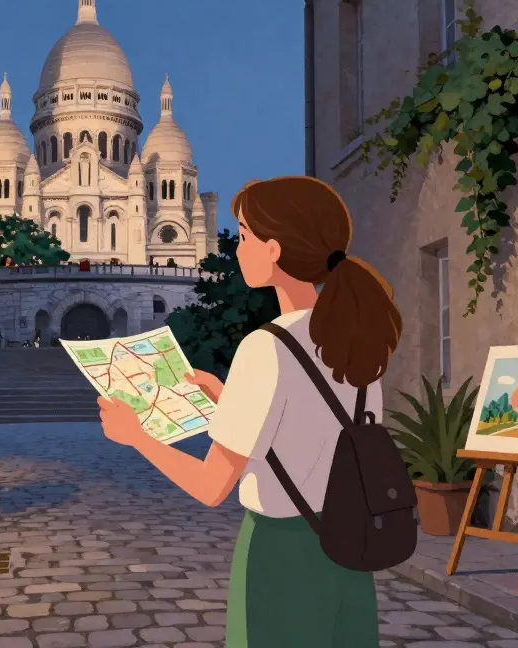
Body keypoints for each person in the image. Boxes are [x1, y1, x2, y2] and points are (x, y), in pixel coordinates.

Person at [96, 175, 402, 647]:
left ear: (274, 249)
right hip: (351, 550)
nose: (236, 249)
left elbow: (211, 486)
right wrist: (230, 399)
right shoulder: (356, 340)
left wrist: (136, 435)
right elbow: (315, 431)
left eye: (243, 237)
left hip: (281, 557)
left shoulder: (267, 348)